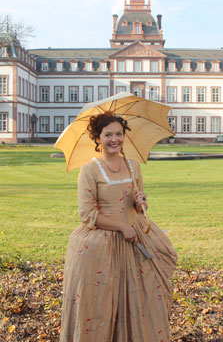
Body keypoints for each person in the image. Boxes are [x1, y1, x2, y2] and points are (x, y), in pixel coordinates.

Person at [60, 112, 177, 342]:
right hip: (102, 245)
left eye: (119, 134)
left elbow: (137, 203)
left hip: (136, 239)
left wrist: (141, 202)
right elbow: (88, 214)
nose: (114, 139)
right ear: (97, 138)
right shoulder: (90, 170)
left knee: (142, 299)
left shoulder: (133, 166)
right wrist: (122, 227)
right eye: (108, 135)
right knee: (102, 301)